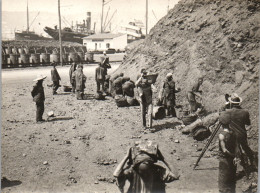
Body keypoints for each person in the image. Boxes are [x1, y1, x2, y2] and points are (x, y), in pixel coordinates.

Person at [113, 141, 179, 193]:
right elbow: (116, 174)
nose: (144, 163)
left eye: (146, 162)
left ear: (150, 165)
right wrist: (126, 156)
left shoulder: (157, 171)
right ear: (137, 165)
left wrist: (163, 158)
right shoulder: (132, 171)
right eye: (140, 162)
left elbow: (176, 175)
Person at [219, 93, 257, 170]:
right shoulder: (245, 111)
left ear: (231, 102)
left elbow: (221, 117)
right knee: (246, 147)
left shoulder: (228, 111)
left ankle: (242, 166)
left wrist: (226, 106)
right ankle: (253, 162)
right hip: (243, 134)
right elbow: (248, 123)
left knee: (237, 150)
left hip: (233, 135)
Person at [218, 126, 237, 193]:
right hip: (233, 159)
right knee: (232, 181)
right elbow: (237, 146)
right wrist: (235, 156)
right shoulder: (233, 133)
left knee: (223, 181)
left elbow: (224, 150)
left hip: (225, 159)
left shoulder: (221, 135)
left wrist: (232, 155)